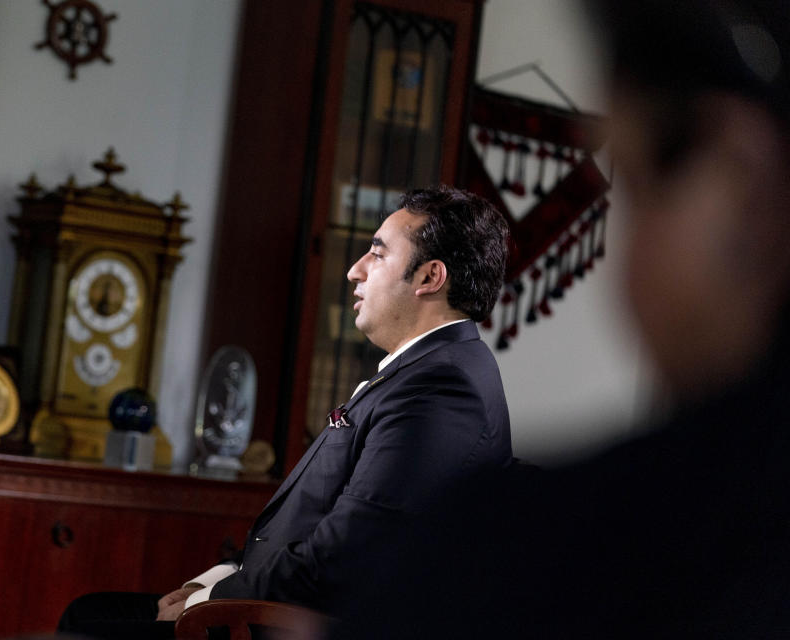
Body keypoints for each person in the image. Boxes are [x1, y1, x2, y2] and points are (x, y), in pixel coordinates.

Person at [334, 1, 790, 637]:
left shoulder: (518, 562)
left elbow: (346, 546)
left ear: (746, 190)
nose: (354, 271)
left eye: (633, 189)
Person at [58, 186, 514, 637]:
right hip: (259, 601)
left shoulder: (443, 388)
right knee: (88, 611)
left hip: (285, 623)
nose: (355, 271)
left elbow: (344, 559)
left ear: (430, 278)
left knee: (89, 625)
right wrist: (213, 581)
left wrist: (206, 603)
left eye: (377, 254)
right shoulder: (424, 370)